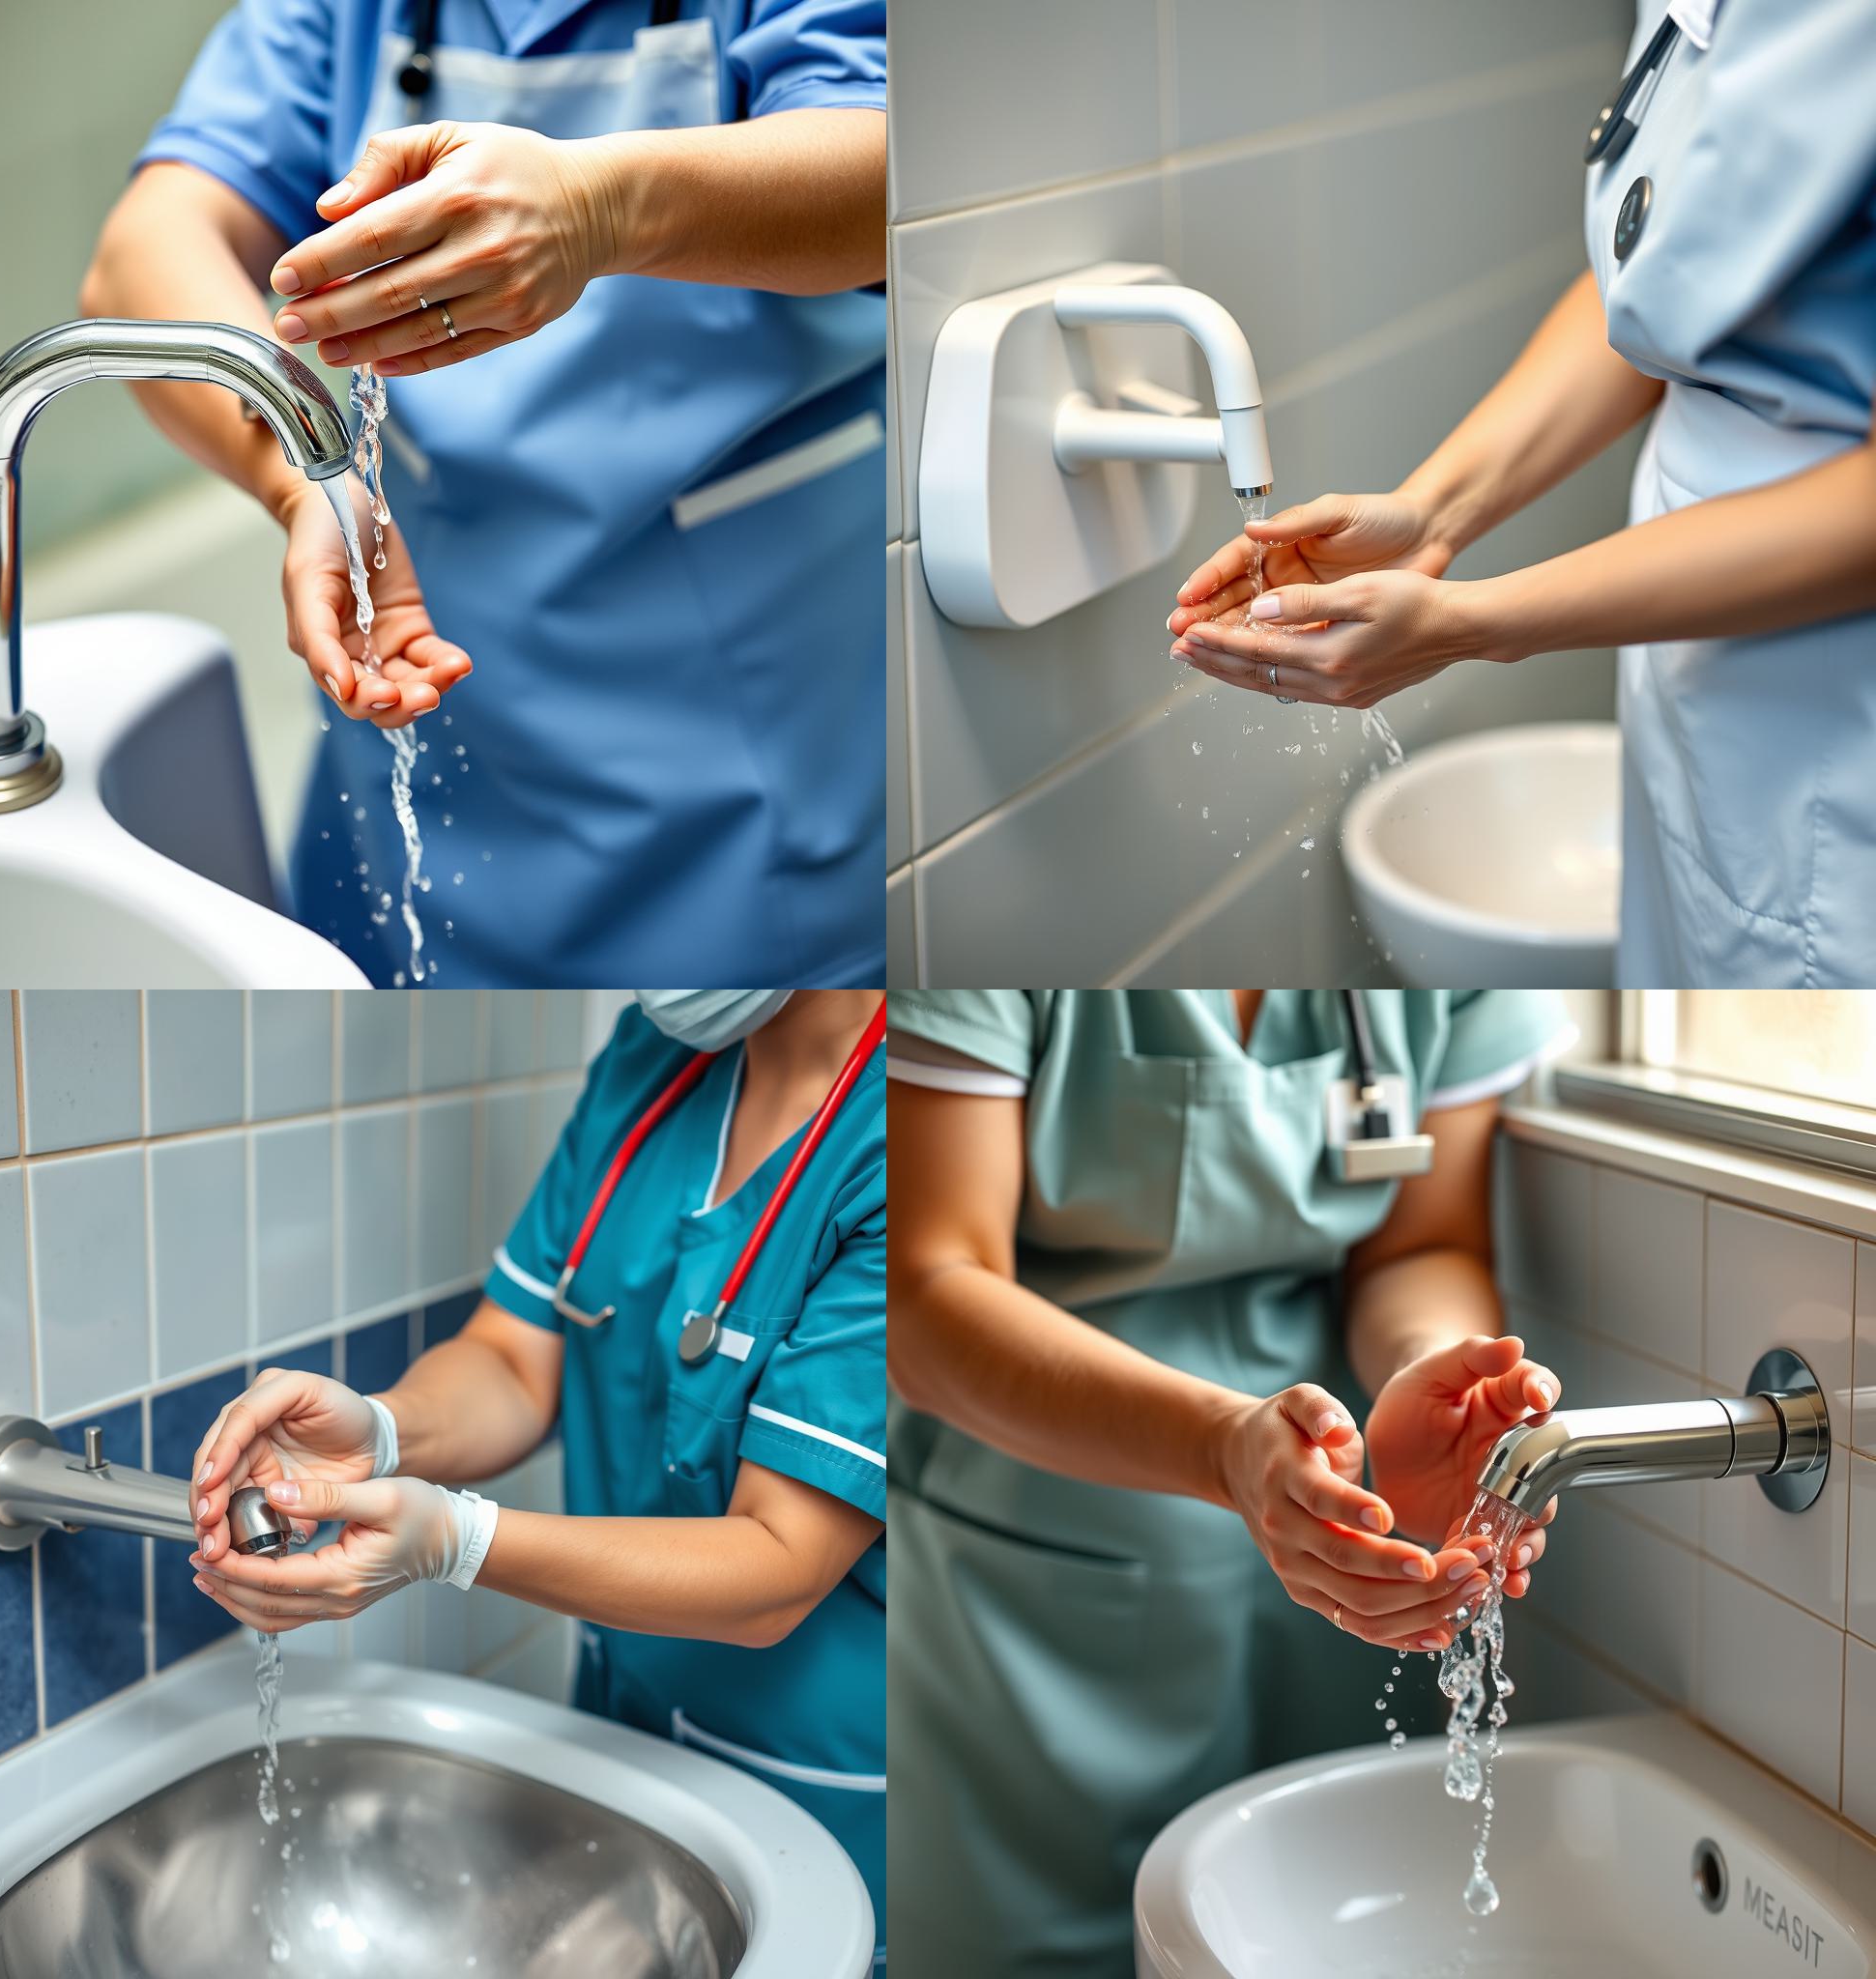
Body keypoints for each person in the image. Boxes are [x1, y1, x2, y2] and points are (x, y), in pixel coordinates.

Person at [82, 2, 885, 987]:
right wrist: (307, 474)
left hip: (729, 763)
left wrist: (606, 204)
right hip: (405, 709)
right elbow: (146, 247)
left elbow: (894, 172)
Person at [1166, 1, 1876, 987]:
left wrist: (1467, 621)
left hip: (1835, 699)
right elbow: (1668, 274)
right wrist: (1431, 513)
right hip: (1698, 667)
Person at [186, 989, 886, 1965]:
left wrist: (453, 1540)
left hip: (827, 1793)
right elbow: (517, 1359)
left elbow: (781, 1559)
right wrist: (381, 1430)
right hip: (621, 1738)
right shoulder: (653, 1054)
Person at [884, 989, 1573, 1978]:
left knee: (1309, 1925)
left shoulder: (1434, 912)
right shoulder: (983, 902)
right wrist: (1221, 1448)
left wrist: (1437, 1382)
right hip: (1031, 1559)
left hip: (1336, 1536)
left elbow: (1420, 1246)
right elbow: (927, 1288)